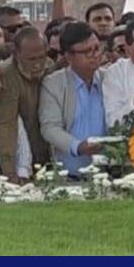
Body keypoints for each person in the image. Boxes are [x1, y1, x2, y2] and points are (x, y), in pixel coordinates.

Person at [40, 22, 107, 176]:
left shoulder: (108, 78)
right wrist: (78, 147)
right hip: (68, 176)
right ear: (69, 56)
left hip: (108, 173)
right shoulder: (54, 84)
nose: (95, 55)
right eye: (87, 51)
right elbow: (50, 128)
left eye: (97, 48)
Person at [0, 26, 53, 182]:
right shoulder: (6, 75)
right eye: (31, 59)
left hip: (47, 152)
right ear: (16, 54)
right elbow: (6, 125)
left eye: (41, 57)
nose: (38, 65)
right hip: (19, 154)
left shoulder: (50, 67)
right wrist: (10, 172)